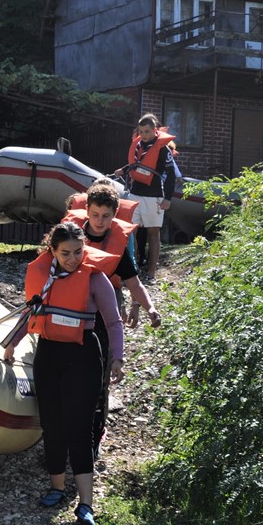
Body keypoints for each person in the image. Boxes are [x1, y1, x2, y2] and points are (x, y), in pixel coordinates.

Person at [2, 222, 125, 525]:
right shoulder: (44, 277)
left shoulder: (96, 279)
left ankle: (86, 504)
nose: (73, 259)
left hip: (83, 356)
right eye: (66, 253)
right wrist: (11, 345)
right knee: (52, 425)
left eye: (78, 252)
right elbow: (29, 313)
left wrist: (118, 359)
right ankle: (57, 488)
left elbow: (113, 322)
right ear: (52, 251)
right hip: (49, 355)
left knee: (79, 429)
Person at [63, 180, 161, 459]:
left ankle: (95, 434)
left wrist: (149, 307)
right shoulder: (70, 237)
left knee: (99, 376)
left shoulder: (117, 247)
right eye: (95, 215)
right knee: (69, 374)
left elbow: (134, 284)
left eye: (106, 216)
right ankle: (63, 433)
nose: (100, 221)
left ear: (114, 215)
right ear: (87, 211)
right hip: (72, 311)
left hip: (103, 313)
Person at [115, 113, 177, 282]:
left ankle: (151, 273)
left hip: (154, 197)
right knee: (130, 233)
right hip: (135, 193)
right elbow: (136, 164)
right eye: (141, 131)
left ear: (155, 130)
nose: (143, 135)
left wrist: (168, 199)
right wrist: (124, 170)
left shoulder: (163, 149)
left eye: (147, 131)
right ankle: (132, 271)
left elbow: (170, 176)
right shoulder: (138, 144)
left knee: (153, 234)